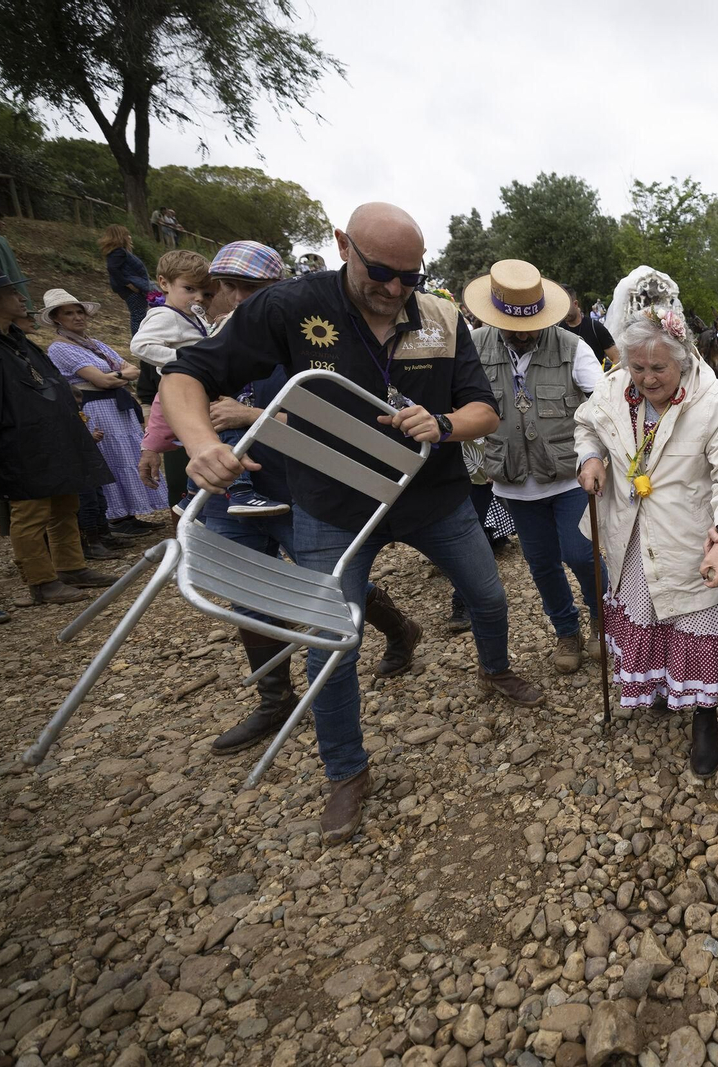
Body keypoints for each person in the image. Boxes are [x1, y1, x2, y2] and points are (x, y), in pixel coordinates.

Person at [161, 202, 542, 845]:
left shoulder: (442, 316)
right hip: (331, 505)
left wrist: (445, 424)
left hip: (434, 497)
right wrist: (200, 443)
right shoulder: (286, 307)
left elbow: (484, 408)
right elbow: (186, 374)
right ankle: (345, 769)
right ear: (343, 246)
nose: (396, 289)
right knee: (330, 637)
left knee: (488, 594)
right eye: (383, 272)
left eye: (410, 277)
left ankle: (495, 667)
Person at [141, 239, 423, 757]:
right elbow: (178, 385)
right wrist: (193, 442)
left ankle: (399, 628)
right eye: (226, 286)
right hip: (226, 489)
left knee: (329, 596)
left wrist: (253, 419)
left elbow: (348, 424)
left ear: (277, 290)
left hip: (298, 490)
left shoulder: (308, 335)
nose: (235, 297)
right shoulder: (221, 337)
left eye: (251, 288)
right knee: (246, 591)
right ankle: (275, 700)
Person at [575, 310, 718, 776]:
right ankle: (657, 687)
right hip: (630, 529)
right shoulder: (615, 387)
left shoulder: (713, 401)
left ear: (684, 359)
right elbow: (588, 426)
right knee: (648, 614)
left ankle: (704, 717)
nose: (646, 378)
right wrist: (591, 458)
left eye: (659, 369)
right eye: (637, 367)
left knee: (696, 619)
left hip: (692, 534)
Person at [466, 259, 608, 674]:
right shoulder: (474, 346)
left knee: (580, 552)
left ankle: (602, 618)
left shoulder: (571, 346)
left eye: (531, 322)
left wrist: (594, 455)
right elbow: (462, 403)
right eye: (512, 323)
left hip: (568, 474)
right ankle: (567, 630)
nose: (524, 332)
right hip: (511, 479)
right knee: (541, 562)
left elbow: (602, 405)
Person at [0, 271, 118, 605]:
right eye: (12, 293)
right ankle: (41, 581)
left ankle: (71, 567)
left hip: (52, 436)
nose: (22, 298)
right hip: (15, 442)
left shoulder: (18, 340)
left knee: (65, 504)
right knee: (30, 512)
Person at [39, 287, 165, 546]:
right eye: (69, 313)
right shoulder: (59, 348)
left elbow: (131, 368)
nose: (77, 317)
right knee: (110, 457)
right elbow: (101, 379)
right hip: (95, 408)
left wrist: (115, 377)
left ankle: (128, 514)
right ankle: (114, 517)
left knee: (128, 454)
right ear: (56, 319)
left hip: (116, 407)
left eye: (79, 312)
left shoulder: (95, 344)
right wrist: (115, 377)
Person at [131, 249, 214, 514]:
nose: (197, 297)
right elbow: (140, 345)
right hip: (182, 387)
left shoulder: (192, 315)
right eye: (189, 289)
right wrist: (181, 359)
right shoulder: (165, 315)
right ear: (164, 283)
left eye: (203, 292)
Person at [100, 226, 154, 336]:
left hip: (137, 288)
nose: (129, 237)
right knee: (138, 316)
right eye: (127, 235)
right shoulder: (118, 252)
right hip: (132, 290)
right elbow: (112, 269)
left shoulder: (119, 252)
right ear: (120, 237)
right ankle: (139, 342)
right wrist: (128, 284)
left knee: (141, 313)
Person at [560, 285, 620, 371]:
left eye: (566, 307)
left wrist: (607, 379)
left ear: (575, 304)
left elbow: (616, 358)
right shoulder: (558, 329)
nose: (563, 313)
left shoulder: (595, 328)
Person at [0, 212, 29, 306]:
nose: (3, 223)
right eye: (0, 220)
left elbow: (11, 262)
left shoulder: (1, 239)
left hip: (11, 278)